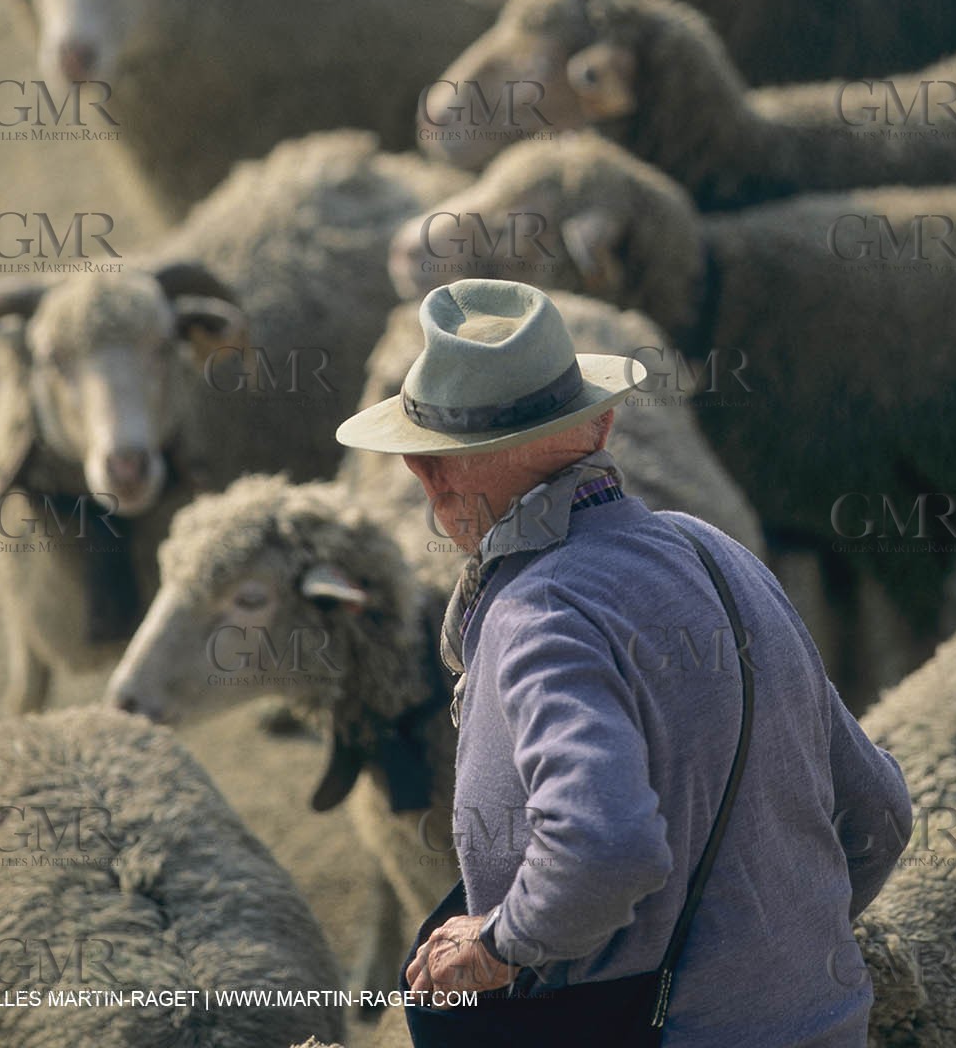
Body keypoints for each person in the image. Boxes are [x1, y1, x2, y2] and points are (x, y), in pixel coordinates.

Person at [336, 279, 913, 1046]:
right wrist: (773, 960)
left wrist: (497, 945)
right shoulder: (716, 554)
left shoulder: (535, 612)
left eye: (425, 461)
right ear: (601, 423)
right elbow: (878, 810)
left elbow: (605, 844)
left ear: (430, 474)